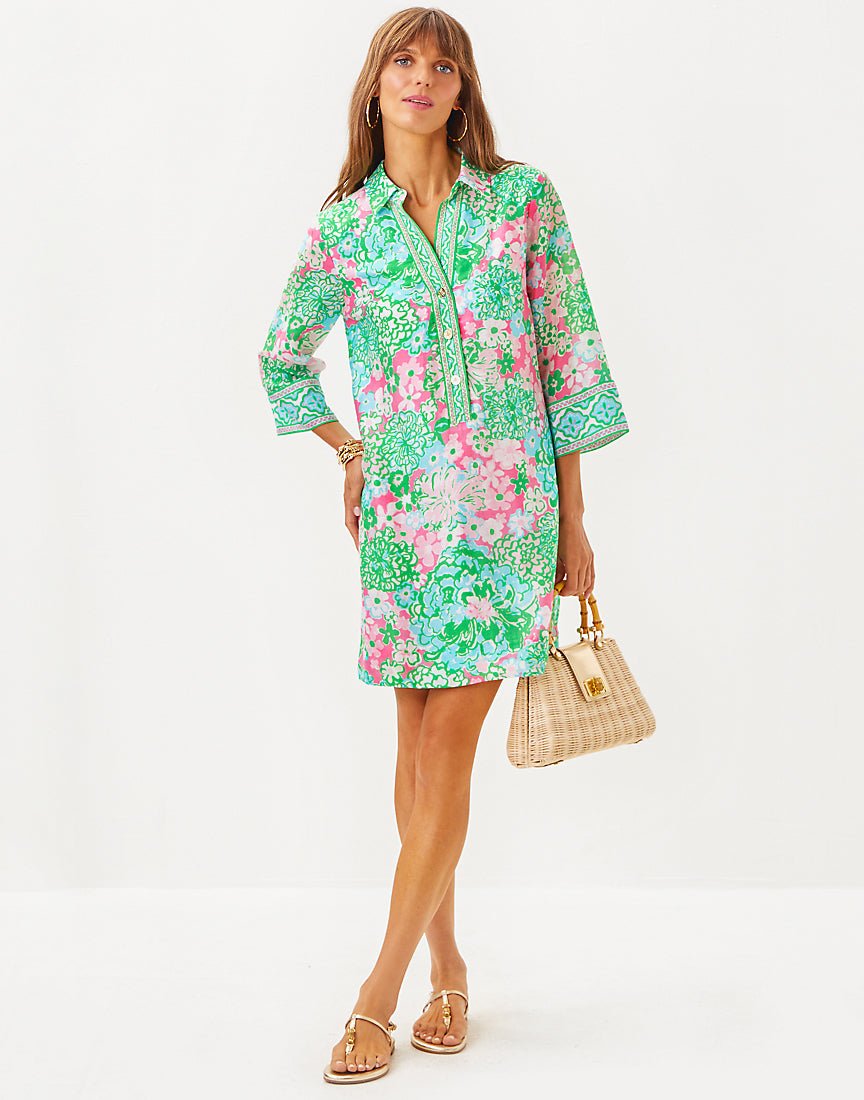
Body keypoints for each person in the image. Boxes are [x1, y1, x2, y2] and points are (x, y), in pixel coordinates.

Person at [257, 7, 630, 1085]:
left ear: (464, 89)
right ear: (375, 85)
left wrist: (572, 517)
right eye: (403, 61)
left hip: (508, 515)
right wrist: (348, 451)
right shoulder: (345, 230)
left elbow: (568, 357)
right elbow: (282, 356)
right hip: (404, 524)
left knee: (447, 751)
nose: (421, 78)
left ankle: (374, 995)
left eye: (442, 64)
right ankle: (450, 968)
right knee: (413, 753)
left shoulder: (522, 201)